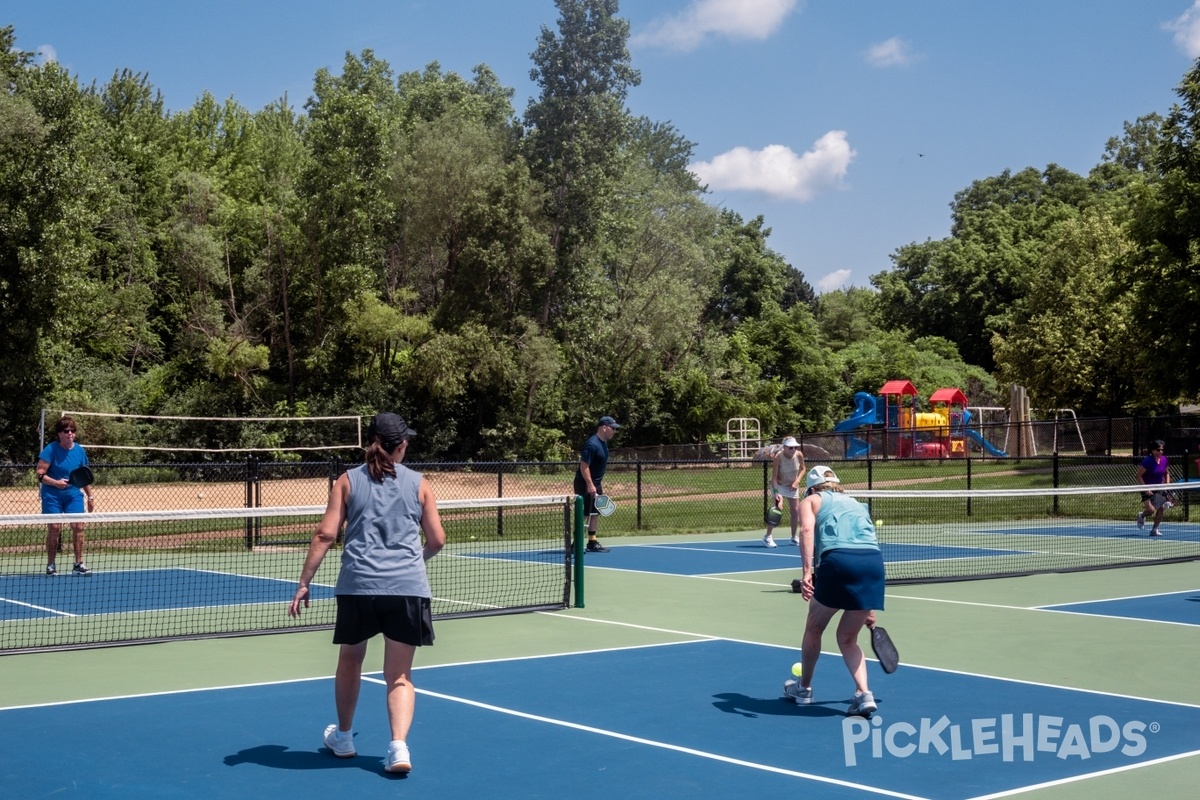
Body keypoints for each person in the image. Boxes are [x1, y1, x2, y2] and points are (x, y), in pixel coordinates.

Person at [288, 412, 445, 774]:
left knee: (350, 660)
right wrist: (414, 563)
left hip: (358, 587)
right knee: (400, 676)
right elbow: (437, 540)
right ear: (401, 446)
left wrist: (304, 582)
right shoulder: (420, 483)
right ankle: (398, 749)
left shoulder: (346, 481)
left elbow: (325, 535)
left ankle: (343, 738)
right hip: (407, 589)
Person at [784, 466, 885, 717]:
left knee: (814, 627)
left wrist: (807, 573)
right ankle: (864, 693)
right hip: (873, 564)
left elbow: (806, 530)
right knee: (848, 638)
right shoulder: (858, 504)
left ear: (812, 487)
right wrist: (867, 605)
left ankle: (804, 688)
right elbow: (866, 542)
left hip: (838, 561)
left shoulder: (810, 500)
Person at [34, 416, 95, 576]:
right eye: (66, 431)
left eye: (72, 430)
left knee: (78, 527)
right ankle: (51, 565)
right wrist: (55, 483)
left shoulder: (79, 451)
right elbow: (39, 474)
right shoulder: (51, 449)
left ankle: (78, 563)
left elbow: (83, 476)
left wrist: (90, 497)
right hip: (52, 495)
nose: (70, 433)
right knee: (54, 528)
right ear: (59, 434)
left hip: (73, 495)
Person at [574, 415, 620, 553]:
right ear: (604, 427)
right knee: (583, 513)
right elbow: (584, 466)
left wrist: (595, 484)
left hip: (596, 483)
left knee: (595, 512)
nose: (614, 431)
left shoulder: (603, 443)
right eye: (613, 428)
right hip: (584, 483)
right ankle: (575, 544)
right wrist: (589, 484)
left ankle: (592, 542)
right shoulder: (592, 444)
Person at [763, 436, 805, 548]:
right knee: (778, 508)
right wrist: (776, 492)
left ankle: (793, 538)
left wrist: (797, 481)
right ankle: (767, 537)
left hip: (792, 486)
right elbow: (774, 477)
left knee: (795, 511)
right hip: (779, 485)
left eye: (795, 447)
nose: (793, 450)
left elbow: (803, 469)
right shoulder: (778, 457)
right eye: (790, 448)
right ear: (785, 447)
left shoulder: (799, 455)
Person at [1136, 439, 1171, 537]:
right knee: (1151, 510)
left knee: (1160, 509)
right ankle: (1142, 516)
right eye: (1158, 450)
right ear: (1152, 450)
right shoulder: (1147, 461)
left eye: (1162, 450)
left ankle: (1155, 529)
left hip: (1159, 487)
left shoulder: (1164, 460)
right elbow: (1138, 476)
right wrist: (1146, 489)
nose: (1160, 452)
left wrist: (1167, 486)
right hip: (1146, 487)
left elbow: (1167, 473)